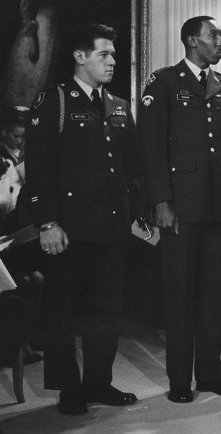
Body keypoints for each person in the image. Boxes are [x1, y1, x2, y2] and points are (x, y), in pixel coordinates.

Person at [24, 23, 138, 415]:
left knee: (106, 311)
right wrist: (47, 223)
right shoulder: (53, 101)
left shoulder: (119, 105)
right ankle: (68, 388)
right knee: (63, 313)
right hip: (68, 229)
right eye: (103, 54)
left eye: (113, 54)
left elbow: (129, 168)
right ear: (79, 57)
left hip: (111, 227)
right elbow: (38, 169)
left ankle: (98, 383)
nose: (112, 61)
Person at [137, 16, 221, 403]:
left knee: (215, 295)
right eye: (214, 35)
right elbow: (150, 148)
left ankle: (211, 375)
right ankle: (180, 381)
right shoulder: (164, 82)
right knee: (180, 295)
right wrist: (160, 202)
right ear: (191, 41)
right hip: (181, 208)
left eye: (220, 35)